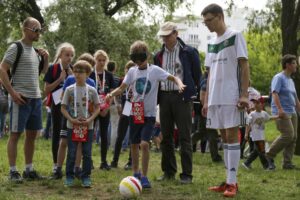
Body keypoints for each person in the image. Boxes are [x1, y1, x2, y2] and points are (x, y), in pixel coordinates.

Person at [106, 40, 185, 189]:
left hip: (149, 114)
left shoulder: (154, 70)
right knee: (134, 144)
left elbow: (172, 77)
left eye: (141, 58)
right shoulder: (132, 71)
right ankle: (136, 172)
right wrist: (111, 94)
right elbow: (122, 88)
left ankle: (144, 176)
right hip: (135, 112)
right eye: (135, 58)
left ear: (147, 56)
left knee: (144, 144)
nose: (138, 62)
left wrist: (179, 84)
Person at [201, 4, 250, 197]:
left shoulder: (235, 35)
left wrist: (244, 94)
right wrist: (205, 100)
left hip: (232, 95)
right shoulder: (211, 42)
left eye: (209, 20)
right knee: (224, 137)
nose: (207, 24)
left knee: (231, 136)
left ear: (220, 16)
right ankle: (229, 182)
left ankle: (232, 183)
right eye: (204, 22)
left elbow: (244, 66)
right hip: (215, 98)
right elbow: (209, 72)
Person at [0, 17, 49, 182]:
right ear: (26, 29)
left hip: (35, 98)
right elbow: (2, 68)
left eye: (40, 30)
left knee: (31, 136)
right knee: (15, 134)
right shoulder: (16, 47)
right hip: (20, 99)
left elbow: (41, 74)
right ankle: (13, 171)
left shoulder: (36, 52)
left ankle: (29, 169)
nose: (38, 33)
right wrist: (12, 93)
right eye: (36, 29)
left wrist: (46, 59)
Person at [154, 21, 201, 184]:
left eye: (168, 35)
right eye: (163, 36)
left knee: (185, 136)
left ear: (176, 33)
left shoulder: (189, 52)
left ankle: (187, 174)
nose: (165, 39)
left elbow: (197, 75)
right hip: (164, 97)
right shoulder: (158, 55)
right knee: (166, 136)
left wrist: (191, 94)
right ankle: (168, 171)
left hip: (182, 97)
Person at [52, 53, 96, 180]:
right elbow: (63, 97)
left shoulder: (92, 82)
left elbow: (92, 101)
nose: (79, 73)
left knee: (80, 143)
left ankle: (77, 169)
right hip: (70, 117)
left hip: (84, 119)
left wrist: (88, 116)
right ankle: (58, 169)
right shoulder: (71, 79)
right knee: (64, 141)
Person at [61, 60, 100, 187]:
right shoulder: (69, 89)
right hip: (72, 125)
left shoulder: (92, 90)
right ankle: (69, 176)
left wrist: (90, 119)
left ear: (88, 74)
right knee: (71, 152)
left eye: (81, 72)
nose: (77, 74)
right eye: (75, 71)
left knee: (87, 152)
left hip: (88, 126)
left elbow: (98, 107)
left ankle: (86, 177)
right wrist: (71, 119)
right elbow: (63, 107)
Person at [44, 42, 74, 176]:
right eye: (67, 55)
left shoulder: (73, 70)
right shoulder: (53, 69)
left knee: (69, 135)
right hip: (56, 106)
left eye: (72, 55)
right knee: (57, 133)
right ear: (60, 55)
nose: (69, 58)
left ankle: (70, 164)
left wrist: (72, 78)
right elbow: (46, 90)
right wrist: (60, 79)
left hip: (70, 107)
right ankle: (56, 165)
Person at [266, 54, 300, 170]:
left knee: (294, 137)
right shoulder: (279, 78)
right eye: (294, 63)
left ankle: (287, 162)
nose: (296, 65)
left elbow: (295, 98)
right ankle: (269, 155)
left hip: (292, 111)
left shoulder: (291, 80)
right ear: (287, 65)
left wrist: (298, 109)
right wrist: (280, 110)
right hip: (282, 111)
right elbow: (275, 93)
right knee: (288, 134)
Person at [90, 50, 115, 170]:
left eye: (103, 60)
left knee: (104, 135)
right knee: (89, 134)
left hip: (105, 109)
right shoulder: (89, 74)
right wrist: (94, 108)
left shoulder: (109, 75)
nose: (101, 62)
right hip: (92, 109)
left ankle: (104, 162)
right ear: (95, 60)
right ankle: (88, 160)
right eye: (99, 60)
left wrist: (107, 107)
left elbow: (112, 93)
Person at [192, 70, 222, 162]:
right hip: (206, 112)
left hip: (204, 111)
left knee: (201, 132)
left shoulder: (205, 79)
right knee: (212, 134)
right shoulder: (206, 80)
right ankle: (215, 157)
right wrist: (207, 110)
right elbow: (202, 96)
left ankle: (184, 147)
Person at [110, 61, 135, 169]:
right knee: (120, 135)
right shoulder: (122, 80)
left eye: (132, 68)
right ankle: (114, 161)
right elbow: (117, 93)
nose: (129, 71)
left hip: (135, 108)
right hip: (125, 108)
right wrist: (118, 105)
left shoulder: (137, 80)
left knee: (133, 137)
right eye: (127, 69)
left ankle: (131, 162)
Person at [242, 97, 277, 170]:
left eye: (257, 103)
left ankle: (246, 163)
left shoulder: (264, 113)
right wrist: (246, 134)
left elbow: (269, 118)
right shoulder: (252, 114)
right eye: (254, 103)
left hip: (261, 136)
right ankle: (267, 166)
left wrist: (279, 116)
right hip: (255, 136)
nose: (255, 104)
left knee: (256, 151)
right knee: (261, 151)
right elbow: (248, 124)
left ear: (262, 104)